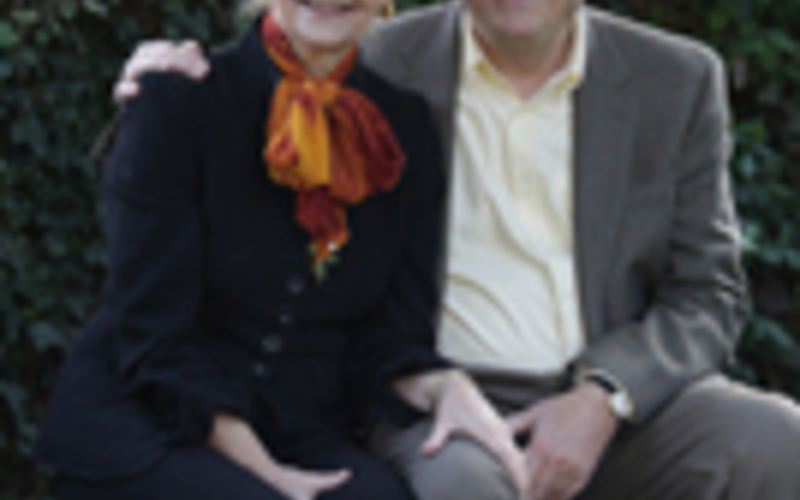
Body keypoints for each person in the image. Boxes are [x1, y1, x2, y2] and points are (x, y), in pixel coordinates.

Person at [104, 0, 800, 499]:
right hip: (432, 399)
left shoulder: (675, 79)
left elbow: (708, 294)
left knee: (774, 438)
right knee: (464, 486)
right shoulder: (374, 50)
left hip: (616, 403)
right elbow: (241, 109)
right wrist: (154, 86)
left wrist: (605, 396)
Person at [33, 0, 529, 499]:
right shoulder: (179, 96)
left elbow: (390, 341)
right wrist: (266, 473)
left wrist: (447, 388)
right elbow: (152, 333)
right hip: (150, 420)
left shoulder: (405, 127)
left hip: (300, 431)